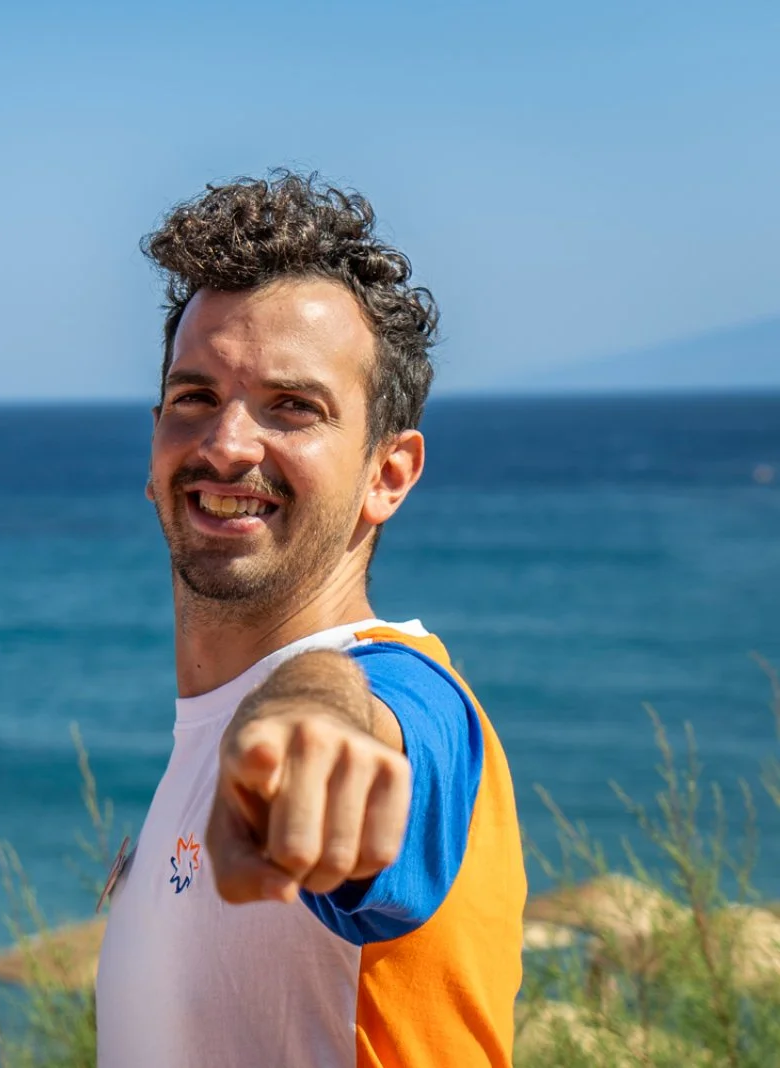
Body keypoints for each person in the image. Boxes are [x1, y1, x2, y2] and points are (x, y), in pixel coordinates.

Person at [95, 173, 525, 1067]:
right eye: (195, 397)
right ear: (155, 442)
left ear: (387, 475)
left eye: (293, 407)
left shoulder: (411, 701)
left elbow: (376, 719)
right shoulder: (205, 741)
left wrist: (319, 705)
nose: (227, 445)